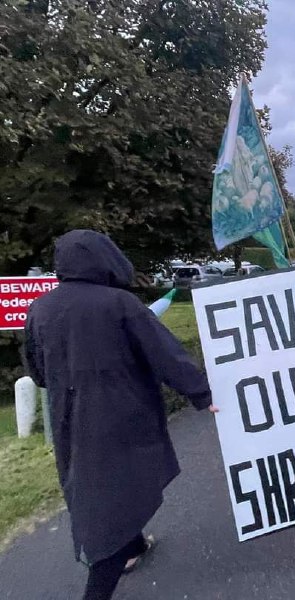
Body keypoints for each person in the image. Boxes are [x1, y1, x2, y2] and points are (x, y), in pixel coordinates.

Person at [23, 230, 218, 600]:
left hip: (71, 420)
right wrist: (201, 392)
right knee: (116, 494)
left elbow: (37, 372)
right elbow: (164, 354)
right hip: (123, 416)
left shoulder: (41, 308)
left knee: (100, 490)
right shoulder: (120, 304)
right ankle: (100, 585)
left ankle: (133, 546)